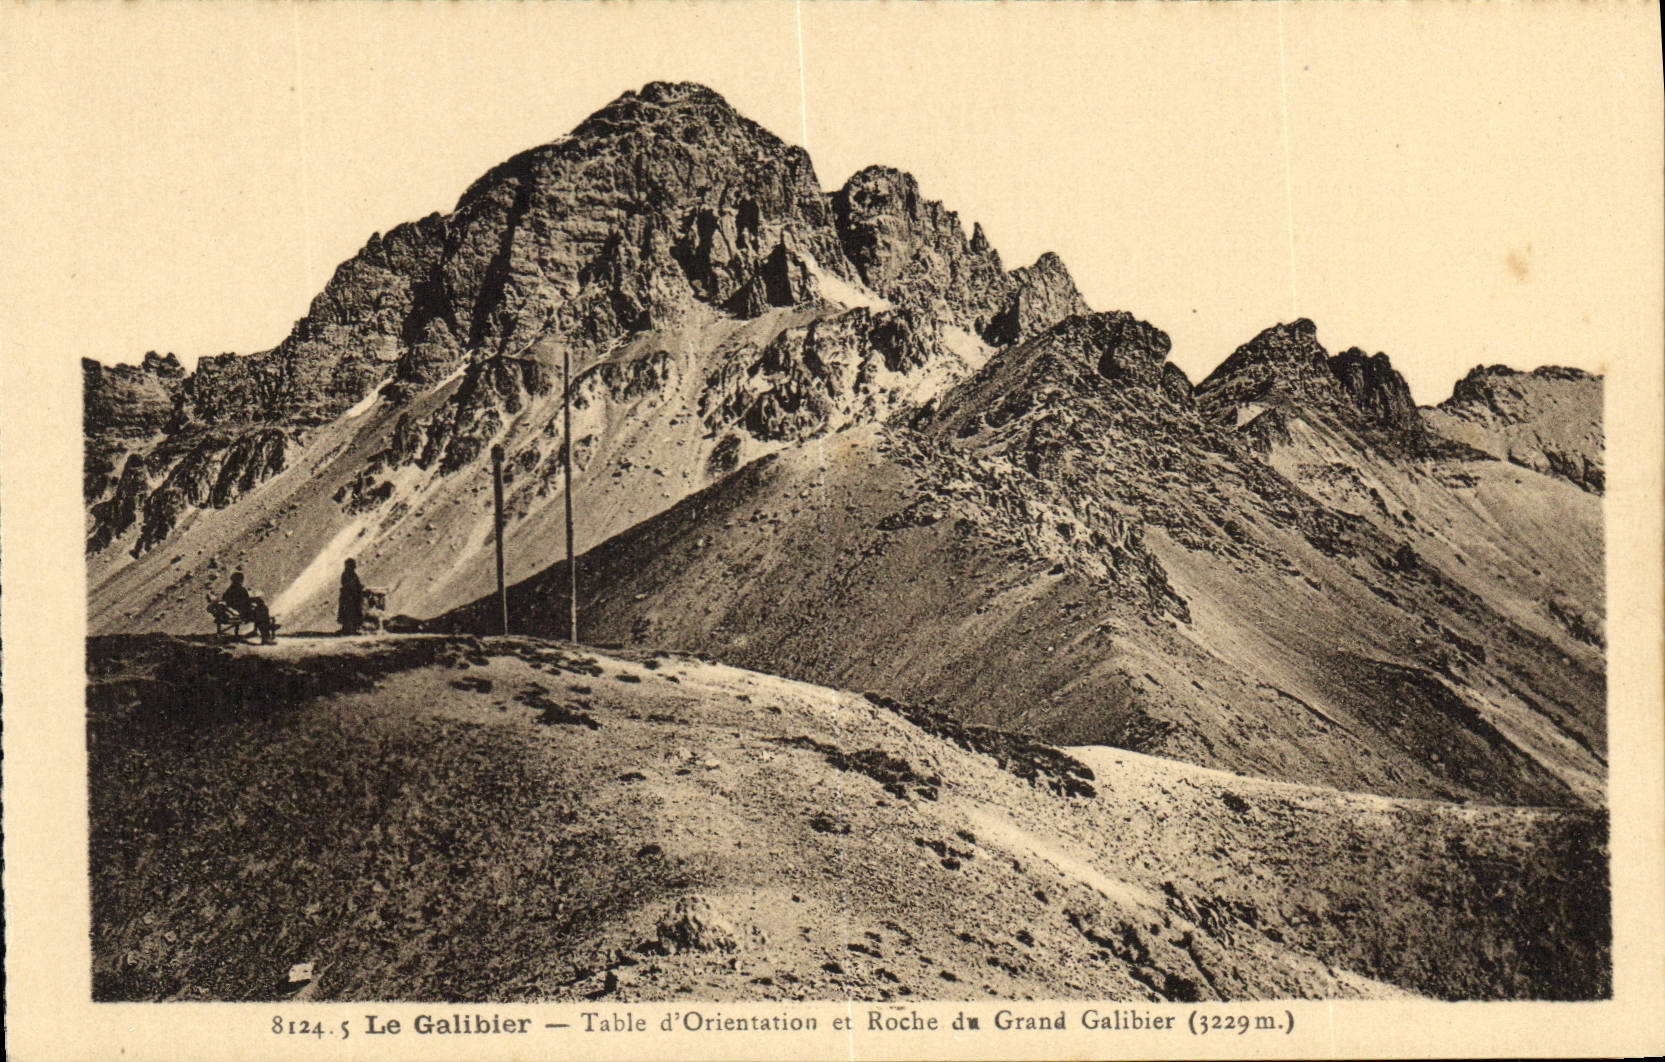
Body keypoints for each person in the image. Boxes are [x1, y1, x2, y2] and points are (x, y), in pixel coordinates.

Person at [222, 571, 277, 644]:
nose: (242, 581)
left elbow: (236, 601)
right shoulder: (239, 589)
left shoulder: (230, 590)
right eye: (241, 579)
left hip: (242, 611)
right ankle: (265, 636)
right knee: (262, 612)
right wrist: (254, 601)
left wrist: (253, 602)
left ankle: (265, 630)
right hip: (244, 614)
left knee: (262, 609)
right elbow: (243, 602)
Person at [338, 558, 364, 634]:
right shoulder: (347, 574)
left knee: (351, 613)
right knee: (349, 612)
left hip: (351, 597)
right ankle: (349, 629)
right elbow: (348, 585)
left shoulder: (351, 574)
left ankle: (350, 628)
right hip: (349, 597)